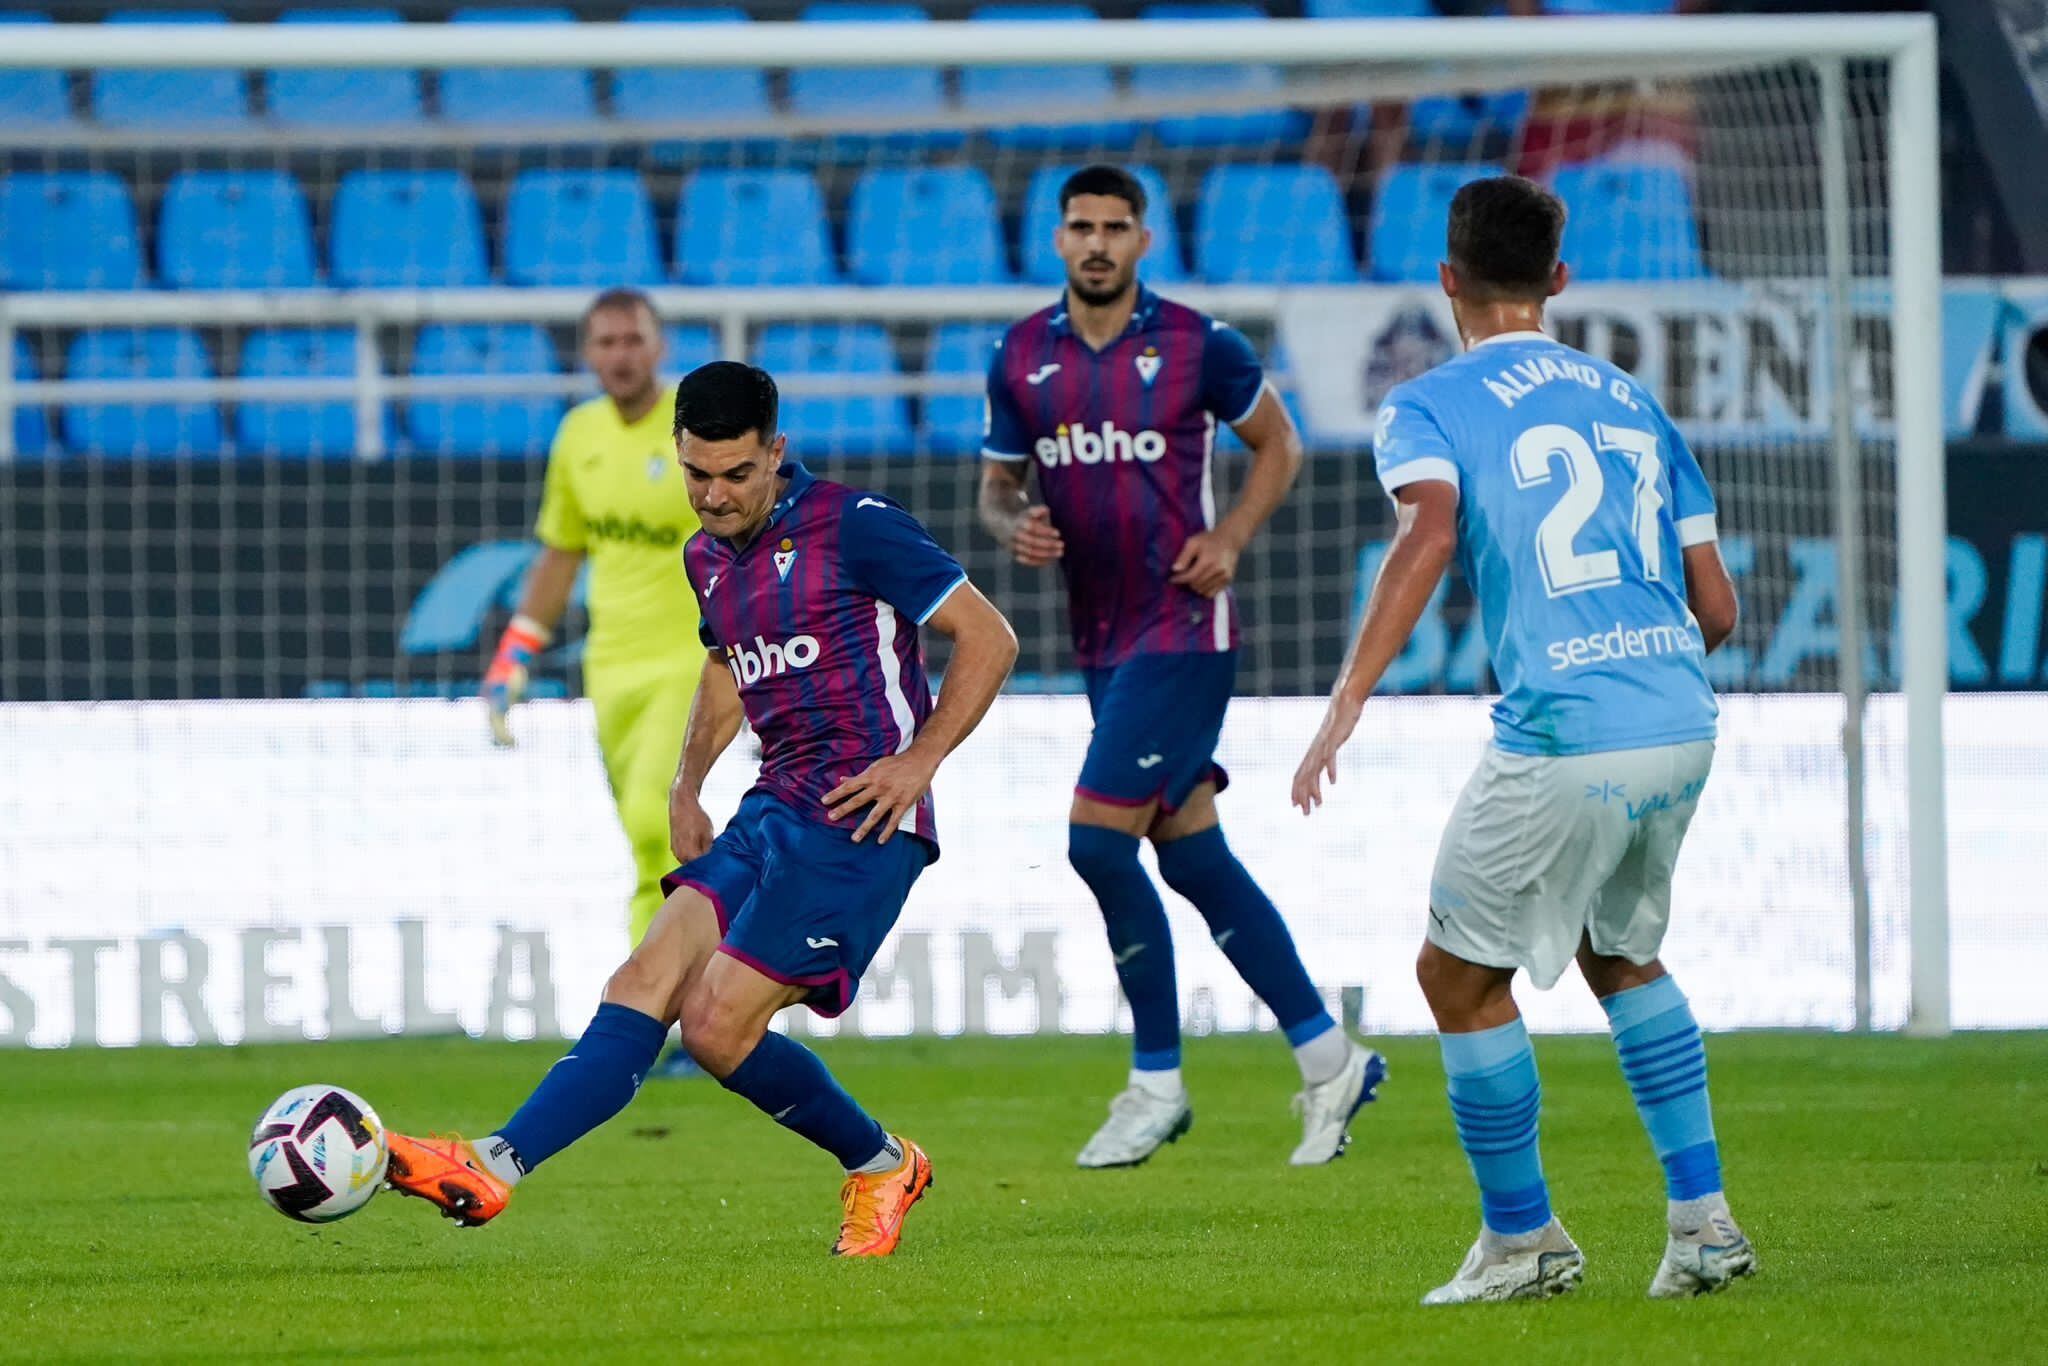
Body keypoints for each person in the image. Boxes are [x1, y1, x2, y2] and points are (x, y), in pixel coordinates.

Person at [384, 362, 1020, 1258]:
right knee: (642, 979)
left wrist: (919, 761)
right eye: (697, 474)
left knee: (718, 1028)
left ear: (776, 454)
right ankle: (493, 1163)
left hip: (858, 814)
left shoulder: (857, 526)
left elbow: (990, 635)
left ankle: (882, 1164)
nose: (714, 497)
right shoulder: (705, 555)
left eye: (735, 474)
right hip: (773, 802)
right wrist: (687, 786)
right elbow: (727, 663)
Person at [1292, 174, 1753, 1304]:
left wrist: (1348, 692)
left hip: (1567, 726)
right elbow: (1720, 609)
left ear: (1445, 279)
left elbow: (1428, 532)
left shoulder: (1429, 401)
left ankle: (1522, 1241)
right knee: (1617, 953)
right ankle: (1701, 1225)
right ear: (1558, 278)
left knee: (1452, 973)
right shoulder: (1631, 400)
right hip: (1679, 715)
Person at [978, 164, 1384, 1170]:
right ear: (1057, 237)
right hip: (1100, 642)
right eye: (1081, 225)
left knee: (1095, 844)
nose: (1098, 242)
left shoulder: (1199, 343)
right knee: (1192, 858)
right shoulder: (1019, 354)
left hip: (1183, 631)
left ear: (1143, 240)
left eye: (1116, 226)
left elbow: (1278, 446)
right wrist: (1013, 523)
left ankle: (1154, 1081)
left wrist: (1233, 535)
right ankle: (1329, 1056)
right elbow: (993, 487)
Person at [481, 289, 700, 957]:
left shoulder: (697, 425)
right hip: (611, 665)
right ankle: (672, 1008)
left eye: (634, 340)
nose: (621, 356)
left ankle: (678, 999)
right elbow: (561, 551)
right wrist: (513, 654)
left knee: (654, 820)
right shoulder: (579, 435)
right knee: (646, 845)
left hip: (694, 658)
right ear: (587, 355)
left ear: (660, 347)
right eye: (607, 343)